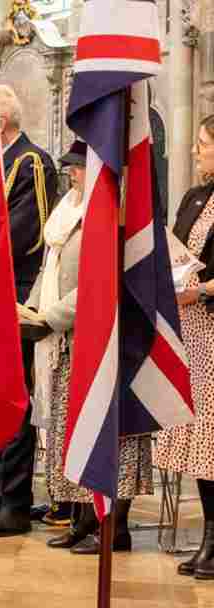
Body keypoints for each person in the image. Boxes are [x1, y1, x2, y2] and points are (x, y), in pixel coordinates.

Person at [32, 141, 150, 554]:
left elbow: (101, 281)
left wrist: (52, 316)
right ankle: (83, 518)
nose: (72, 175)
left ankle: (113, 526)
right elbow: (52, 266)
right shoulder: (67, 212)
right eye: (71, 169)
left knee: (109, 433)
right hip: (67, 339)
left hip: (102, 341)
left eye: (79, 168)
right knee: (72, 429)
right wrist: (30, 309)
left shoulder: (111, 215)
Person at [0, 84, 61, 538]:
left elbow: (25, 230)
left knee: (13, 400)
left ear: (2, 119)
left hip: (14, 294)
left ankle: (13, 502)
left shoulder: (29, 161)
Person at [157, 114, 214, 578]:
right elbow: (177, 247)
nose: (196, 152)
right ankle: (210, 537)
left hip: (211, 320)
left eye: (202, 143)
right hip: (190, 327)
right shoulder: (196, 195)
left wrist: (203, 289)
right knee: (199, 440)